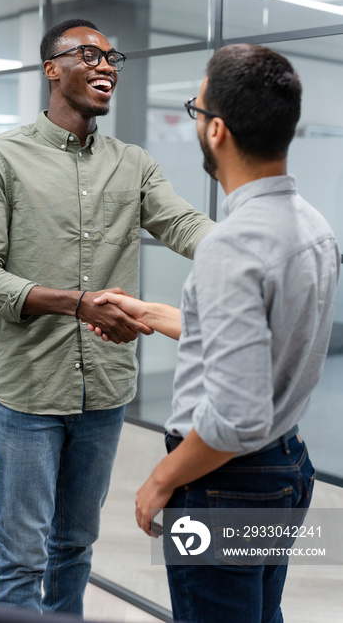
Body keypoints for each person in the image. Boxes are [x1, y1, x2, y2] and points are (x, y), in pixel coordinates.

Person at [0, 18, 215, 614]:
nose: (107, 66)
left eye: (112, 57)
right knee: (21, 557)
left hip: (103, 392)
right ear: (52, 68)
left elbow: (183, 224)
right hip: (28, 394)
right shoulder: (0, 158)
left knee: (75, 545)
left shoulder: (133, 163)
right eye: (89, 55)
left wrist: (257, 243)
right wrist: (76, 304)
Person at [91, 44, 340, 623]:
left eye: (196, 111)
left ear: (217, 131)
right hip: (284, 468)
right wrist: (148, 313)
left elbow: (236, 418)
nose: (197, 121)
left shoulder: (232, 245)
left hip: (224, 484)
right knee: (259, 615)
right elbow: (255, 346)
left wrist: (160, 480)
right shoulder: (313, 224)